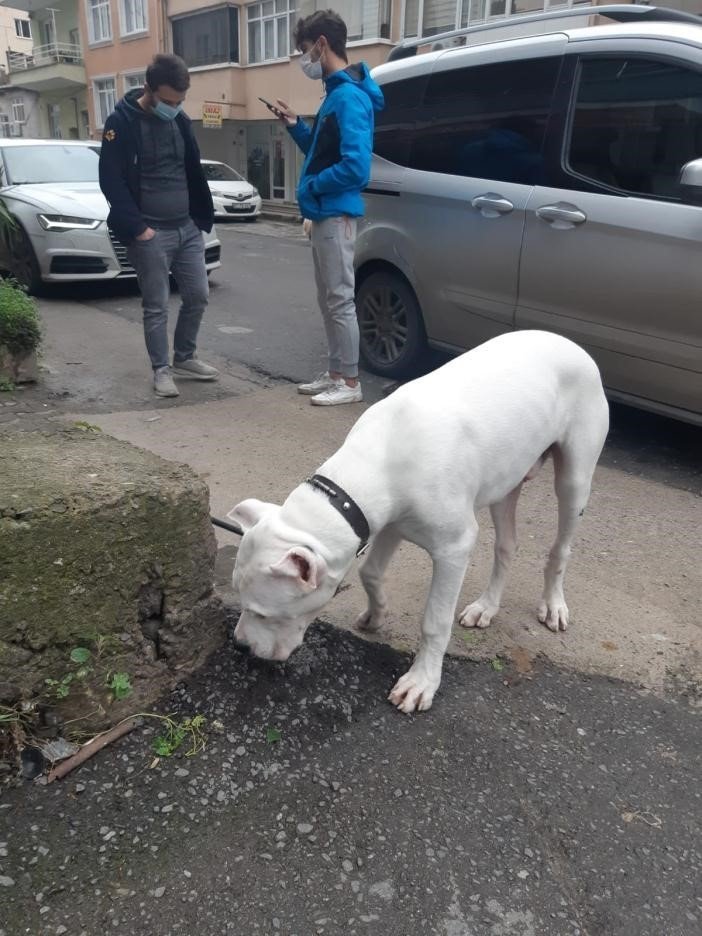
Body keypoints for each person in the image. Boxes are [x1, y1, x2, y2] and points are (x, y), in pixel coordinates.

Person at [275, 10, 384, 406]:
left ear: (322, 44)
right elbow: (322, 154)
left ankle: (350, 384)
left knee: (339, 298)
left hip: (334, 212)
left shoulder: (348, 97)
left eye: (305, 51)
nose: (304, 60)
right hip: (326, 211)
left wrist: (315, 188)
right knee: (330, 299)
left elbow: (356, 166)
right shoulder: (337, 94)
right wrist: (295, 126)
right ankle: (337, 372)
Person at [99, 54, 218, 398]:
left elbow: (191, 169)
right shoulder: (121, 122)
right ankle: (161, 370)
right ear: (149, 89)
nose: (174, 107)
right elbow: (111, 180)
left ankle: (185, 356)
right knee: (156, 304)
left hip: (186, 226)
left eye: (180, 101)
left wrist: (198, 219)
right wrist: (138, 228)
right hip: (150, 231)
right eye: (168, 101)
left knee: (198, 295)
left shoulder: (179, 119)